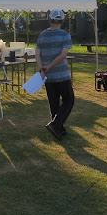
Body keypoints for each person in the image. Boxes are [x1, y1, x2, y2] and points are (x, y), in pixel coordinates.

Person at [35, 10, 74, 140]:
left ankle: (59, 129)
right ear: (62, 21)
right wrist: (50, 65)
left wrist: (42, 68)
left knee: (54, 103)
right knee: (69, 100)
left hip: (48, 76)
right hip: (61, 74)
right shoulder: (65, 35)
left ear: (49, 20)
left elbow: (37, 53)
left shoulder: (42, 35)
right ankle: (55, 125)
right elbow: (63, 55)